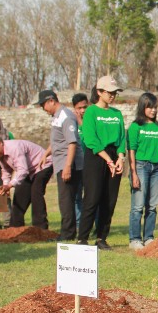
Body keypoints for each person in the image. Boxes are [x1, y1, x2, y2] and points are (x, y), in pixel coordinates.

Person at [78, 76, 126, 250]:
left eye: (115, 93)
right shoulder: (91, 112)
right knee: (92, 198)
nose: (112, 95)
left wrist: (120, 158)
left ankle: (101, 238)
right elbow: (90, 139)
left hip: (114, 156)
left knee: (109, 200)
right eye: (109, 92)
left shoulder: (117, 114)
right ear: (99, 92)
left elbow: (122, 138)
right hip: (96, 156)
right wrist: (108, 160)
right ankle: (82, 238)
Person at [37, 90, 83, 241]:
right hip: (61, 163)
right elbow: (58, 140)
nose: (43, 109)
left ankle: (68, 234)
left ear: (51, 101)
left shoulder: (66, 116)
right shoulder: (57, 117)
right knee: (65, 200)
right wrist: (46, 154)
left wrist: (68, 166)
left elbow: (72, 142)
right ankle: (68, 231)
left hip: (67, 164)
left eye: (43, 105)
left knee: (66, 200)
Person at [0, 135, 53, 230]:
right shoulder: (0, 154)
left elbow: (23, 170)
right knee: (19, 197)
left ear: (0, 143)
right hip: (28, 170)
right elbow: (6, 171)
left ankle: (40, 229)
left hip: (42, 165)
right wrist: (5, 185)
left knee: (36, 193)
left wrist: (10, 185)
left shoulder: (14, 148)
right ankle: (15, 229)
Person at [127, 92, 158, 249]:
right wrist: (133, 173)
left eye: (155, 107)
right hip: (141, 166)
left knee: (152, 206)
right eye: (150, 107)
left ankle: (149, 237)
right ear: (142, 107)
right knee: (138, 206)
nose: (153, 110)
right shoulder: (135, 127)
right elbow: (131, 150)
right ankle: (135, 239)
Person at [71, 93, 90, 226]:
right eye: (79, 108)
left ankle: (91, 224)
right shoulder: (71, 122)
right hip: (77, 165)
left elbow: (88, 139)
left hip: (89, 164)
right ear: (74, 108)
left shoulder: (90, 121)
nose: (82, 110)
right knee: (77, 196)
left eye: (85, 107)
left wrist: (81, 123)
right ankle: (78, 224)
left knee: (90, 196)